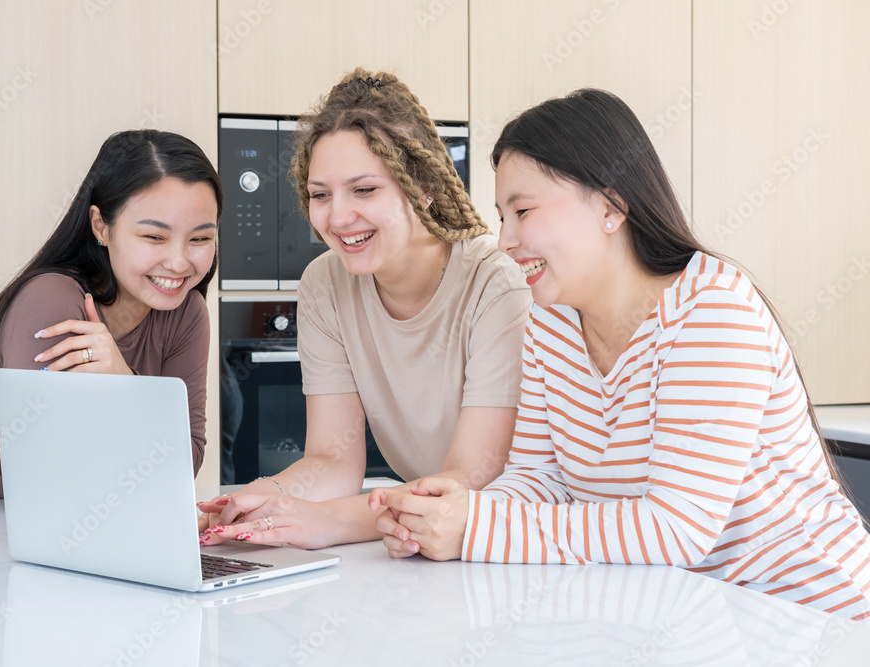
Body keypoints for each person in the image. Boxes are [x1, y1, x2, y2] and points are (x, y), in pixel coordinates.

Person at [371, 89, 870, 620]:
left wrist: (477, 528)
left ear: (611, 207)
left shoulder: (711, 310)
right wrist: (450, 508)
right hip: (693, 619)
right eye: (501, 217)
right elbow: (542, 477)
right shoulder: (550, 322)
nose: (504, 241)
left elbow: (677, 527)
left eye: (522, 211)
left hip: (815, 619)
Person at [197, 68, 531, 549]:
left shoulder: (496, 283)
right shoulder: (324, 286)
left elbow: (469, 481)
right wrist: (253, 502)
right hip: (424, 546)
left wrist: (327, 524)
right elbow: (332, 462)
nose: (337, 217)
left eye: (365, 189)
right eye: (319, 195)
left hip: (508, 546)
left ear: (422, 185)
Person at [0, 129, 221, 502]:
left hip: (45, 523)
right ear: (101, 226)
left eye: (200, 239)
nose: (179, 262)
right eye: (154, 237)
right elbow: (58, 462)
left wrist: (125, 380)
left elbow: (184, 463)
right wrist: (139, 405)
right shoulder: (49, 299)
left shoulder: (186, 315)